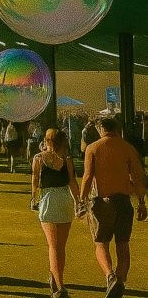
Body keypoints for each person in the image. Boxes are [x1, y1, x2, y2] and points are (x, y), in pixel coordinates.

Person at [79, 116, 147, 298]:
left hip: (101, 201)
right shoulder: (128, 148)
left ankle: (110, 276)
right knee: (123, 244)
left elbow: (87, 176)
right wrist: (142, 202)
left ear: (101, 129)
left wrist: (81, 200)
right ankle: (121, 280)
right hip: (123, 201)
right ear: (116, 128)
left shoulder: (93, 148)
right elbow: (139, 177)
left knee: (101, 243)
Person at [31, 128, 80, 298]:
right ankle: (55, 279)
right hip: (65, 199)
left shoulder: (39, 158)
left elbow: (35, 180)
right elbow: (72, 182)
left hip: (49, 200)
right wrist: (78, 201)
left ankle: (60, 286)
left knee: (53, 246)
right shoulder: (66, 160)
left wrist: (33, 198)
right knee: (61, 247)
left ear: (47, 140)